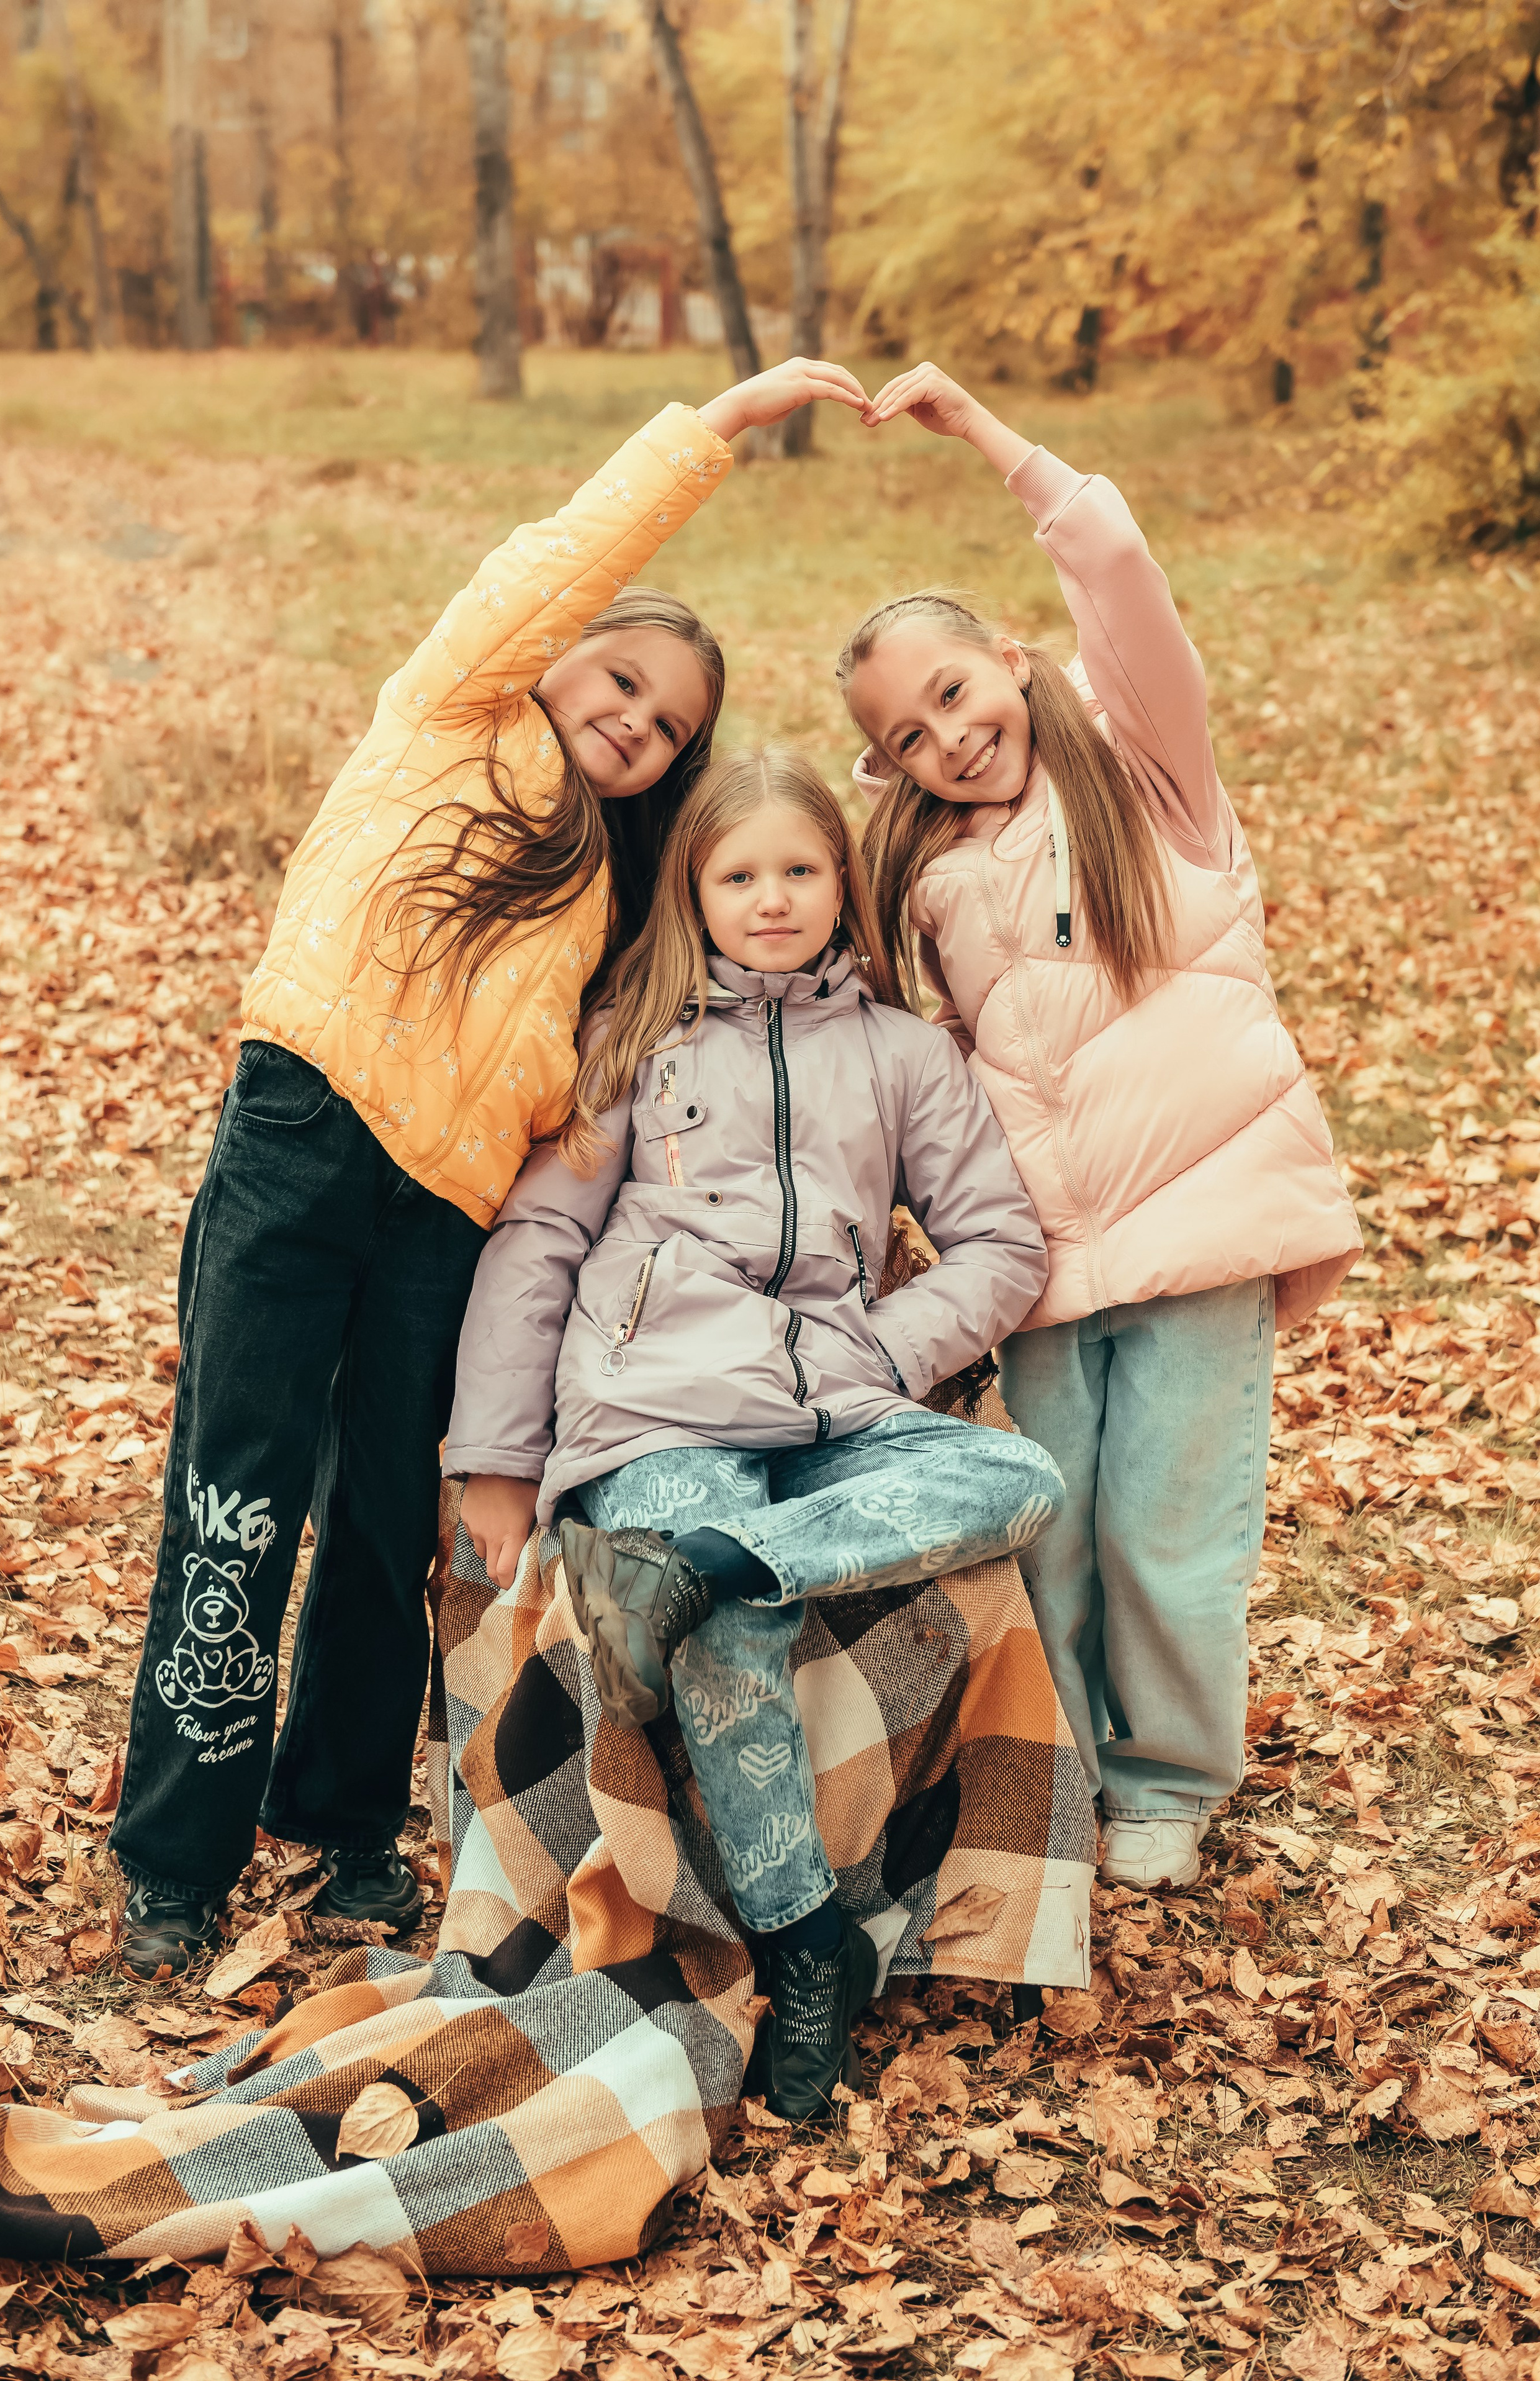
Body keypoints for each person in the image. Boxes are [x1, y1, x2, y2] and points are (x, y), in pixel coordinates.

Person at [110, 359, 873, 1981]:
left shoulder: (613, 888)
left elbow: (699, 984)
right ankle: (176, 1853)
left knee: (388, 1520)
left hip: (444, 1217)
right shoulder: (453, 714)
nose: (635, 720)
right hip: (304, 1136)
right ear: (563, 651)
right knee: (239, 1500)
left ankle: (340, 1826)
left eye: (667, 725)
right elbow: (557, 556)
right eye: (623, 679)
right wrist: (719, 429)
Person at [449, 746, 1063, 2117]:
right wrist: (495, 1458)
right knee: (731, 1635)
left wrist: (881, 1350)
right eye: (738, 875)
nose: (771, 899)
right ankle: (804, 1942)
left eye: (799, 870)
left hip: (833, 1395)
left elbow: (1000, 1245)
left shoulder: (904, 1055)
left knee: (1016, 1474)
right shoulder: (634, 1040)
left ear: (843, 881)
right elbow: (539, 1242)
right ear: (694, 890)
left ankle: (708, 1562)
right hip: (655, 1403)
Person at [837, 362, 1361, 1893]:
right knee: (1052, 1534)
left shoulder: (1146, 770)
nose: (947, 737)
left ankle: (1166, 1782)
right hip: (1048, 1264)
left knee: (1168, 1533)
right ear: (888, 765)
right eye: (908, 733)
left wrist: (984, 435)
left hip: (1201, 1230)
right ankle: (1055, 1771)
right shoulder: (921, 880)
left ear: (1011, 660)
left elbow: (1119, 574)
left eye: (954, 691)